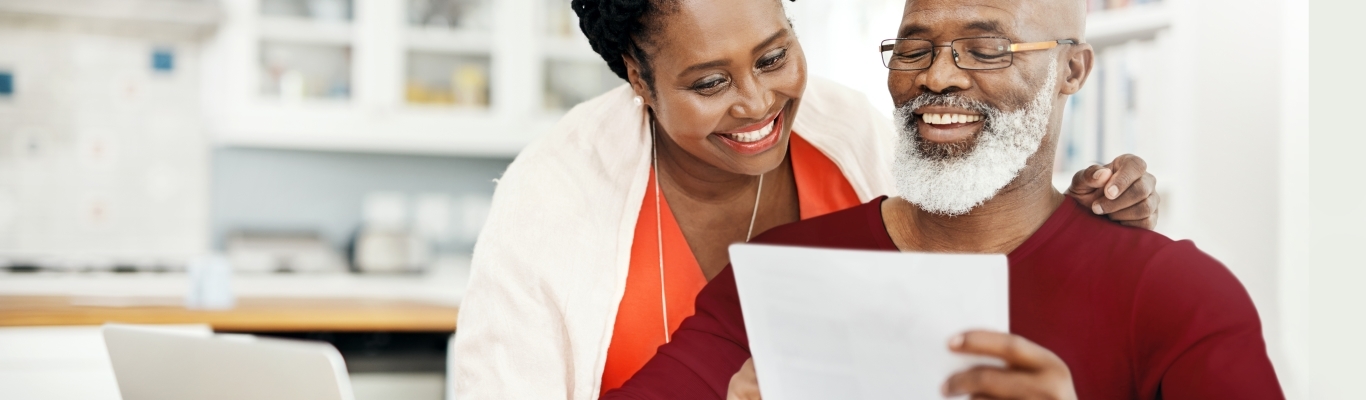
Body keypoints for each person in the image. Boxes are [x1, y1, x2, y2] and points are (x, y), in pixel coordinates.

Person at [451, 0, 1164, 398]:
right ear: (638, 78)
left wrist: (1079, 231)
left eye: (772, 57)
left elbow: (972, 279)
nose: (759, 103)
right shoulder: (551, 200)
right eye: (708, 83)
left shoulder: (853, 135)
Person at [601, 0, 1284, 399]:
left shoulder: (1179, 295)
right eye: (914, 47)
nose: (938, 75)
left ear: (1071, 68)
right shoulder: (778, 276)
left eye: (987, 48)